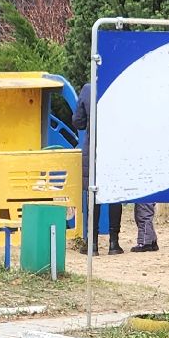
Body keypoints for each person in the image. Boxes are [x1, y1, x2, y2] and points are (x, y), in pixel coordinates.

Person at [74, 81, 124, 254]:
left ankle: (93, 243)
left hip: (93, 149)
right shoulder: (118, 86)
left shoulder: (88, 89)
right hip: (115, 148)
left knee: (93, 193)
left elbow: (78, 122)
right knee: (115, 193)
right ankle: (114, 243)